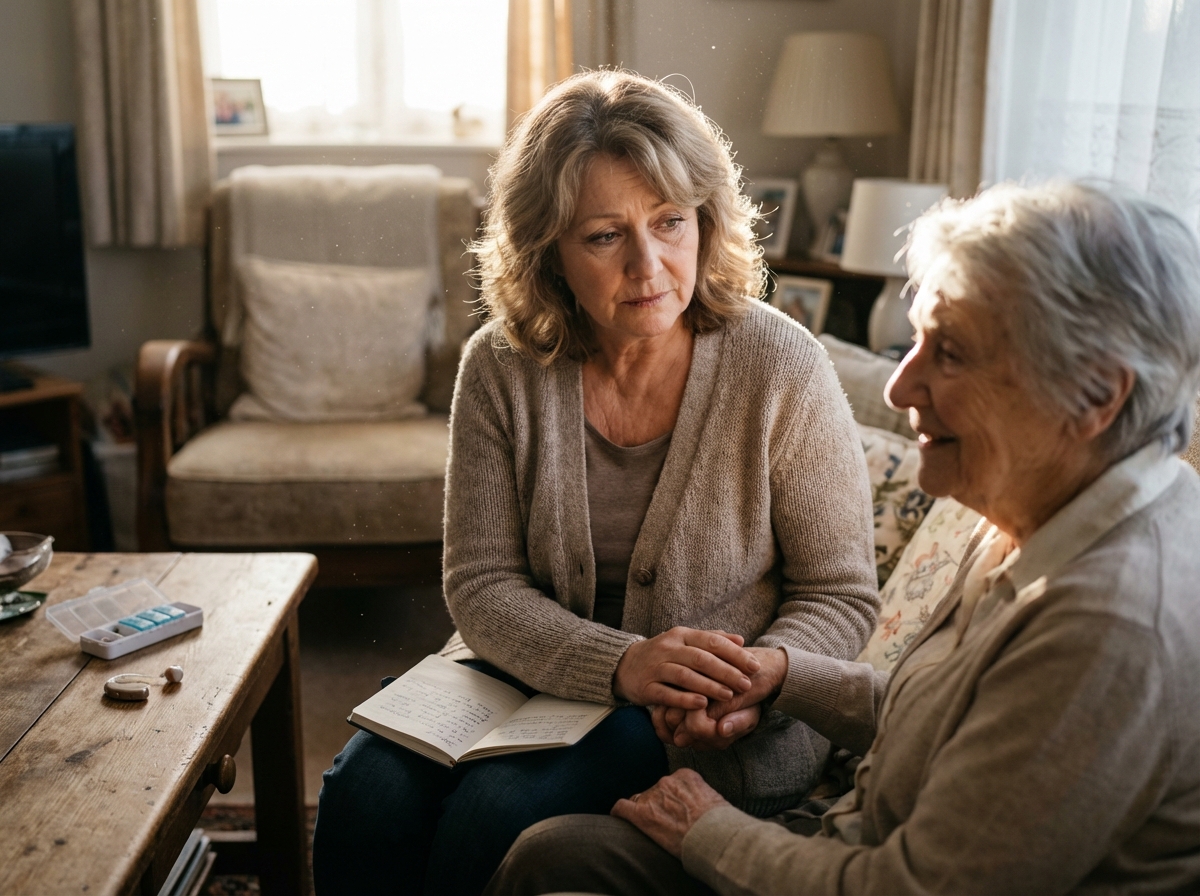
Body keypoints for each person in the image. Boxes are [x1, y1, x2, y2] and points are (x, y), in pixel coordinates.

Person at [487, 180, 1200, 895]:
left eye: (949, 353)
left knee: (538, 854)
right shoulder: (1056, 506)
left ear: (1099, 395)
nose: (898, 388)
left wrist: (707, 829)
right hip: (851, 830)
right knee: (537, 849)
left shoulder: (1109, 624)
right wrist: (786, 675)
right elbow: (956, 720)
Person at [311, 70, 879, 895]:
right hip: (519, 675)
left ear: (706, 222)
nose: (650, 266)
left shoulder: (780, 364)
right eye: (606, 236)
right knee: (362, 795)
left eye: (670, 223)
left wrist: (756, 679)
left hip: (701, 717)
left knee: (494, 811)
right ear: (548, 252)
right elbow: (481, 582)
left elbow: (841, 593)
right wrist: (620, 661)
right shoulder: (500, 367)